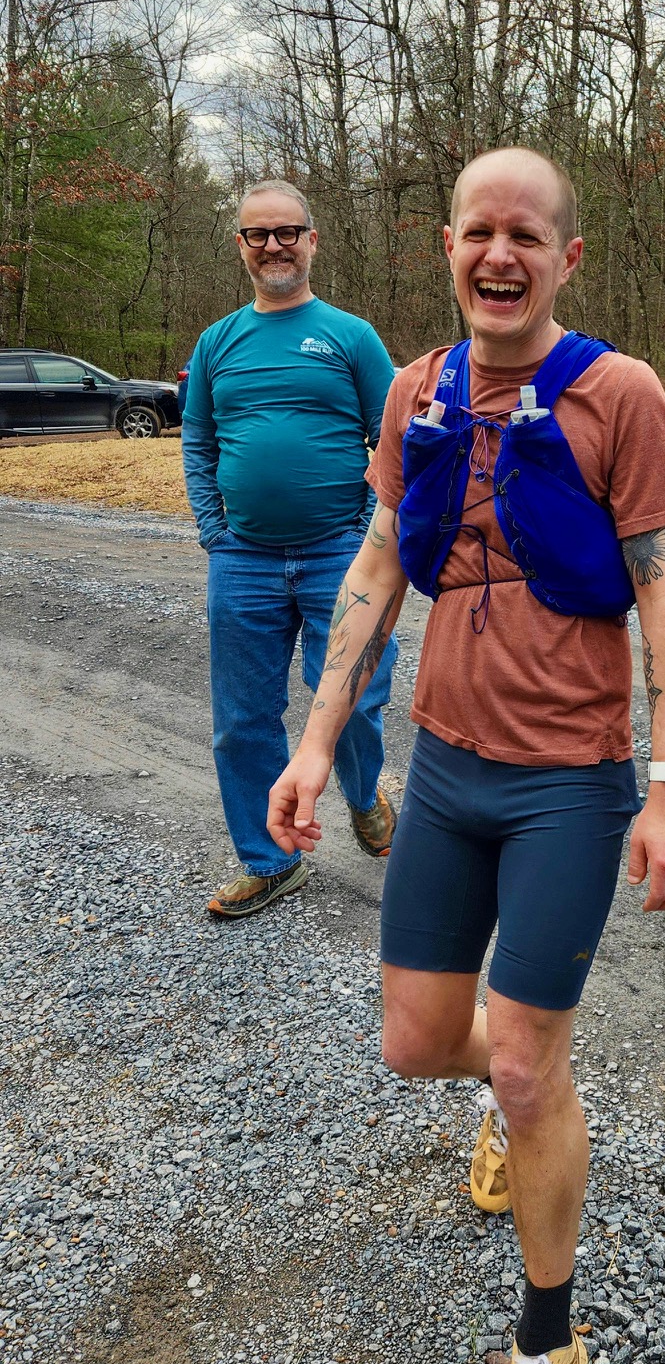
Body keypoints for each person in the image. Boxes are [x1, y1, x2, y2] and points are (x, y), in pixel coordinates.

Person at [267, 147, 665, 1364]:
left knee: (521, 1058)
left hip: (567, 783)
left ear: (564, 258)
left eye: (525, 233)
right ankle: (522, 1097)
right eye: (477, 231)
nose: (498, 253)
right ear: (447, 247)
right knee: (416, 1043)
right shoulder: (416, 392)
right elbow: (378, 563)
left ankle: (546, 1349)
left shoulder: (618, 394)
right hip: (447, 773)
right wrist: (318, 738)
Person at [181, 178, 399, 920]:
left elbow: (393, 440)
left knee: (356, 698)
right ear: (240, 244)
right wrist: (213, 529)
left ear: (312, 240)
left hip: (342, 554)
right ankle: (270, 862)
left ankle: (363, 794)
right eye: (257, 234)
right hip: (241, 559)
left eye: (286, 232)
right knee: (241, 719)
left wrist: (369, 529)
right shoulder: (217, 342)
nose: (272, 245)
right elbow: (198, 440)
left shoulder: (352, 336)